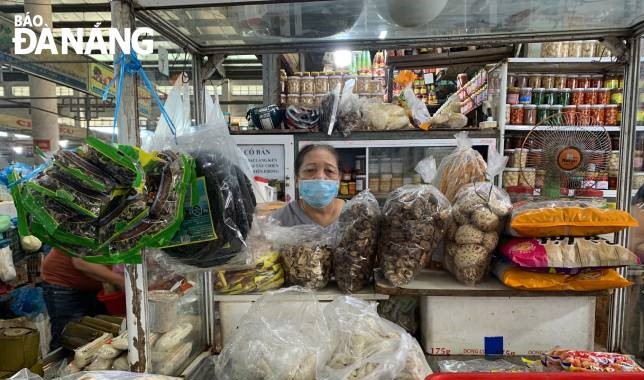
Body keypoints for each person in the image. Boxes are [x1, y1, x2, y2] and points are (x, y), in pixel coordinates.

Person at [41, 248, 125, 351]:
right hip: (63, 283)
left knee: (97, 337)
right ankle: (63, 366)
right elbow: (81, 262)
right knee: (68, 336)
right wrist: (120, 281)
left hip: (93, 285)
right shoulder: (83, 231)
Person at [272, 144, 344, 227]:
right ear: (296, 180)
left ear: (339, 179)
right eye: (310, 170)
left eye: (329, 170)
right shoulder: (279, 220)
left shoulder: (357, 214)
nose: (320, 177)